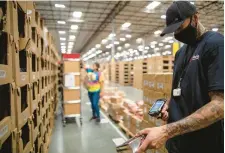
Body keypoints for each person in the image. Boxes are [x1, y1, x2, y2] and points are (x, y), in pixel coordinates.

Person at [136, 1, 224, 153]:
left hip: (203, 144)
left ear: (195, 18)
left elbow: (220, 105)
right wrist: (169, 104)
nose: (177, 34)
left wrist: (166, 131)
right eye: (173, 31)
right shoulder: (180, 53)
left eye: (179, 28)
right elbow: (179, 88)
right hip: (177, 143)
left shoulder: (216, 45)